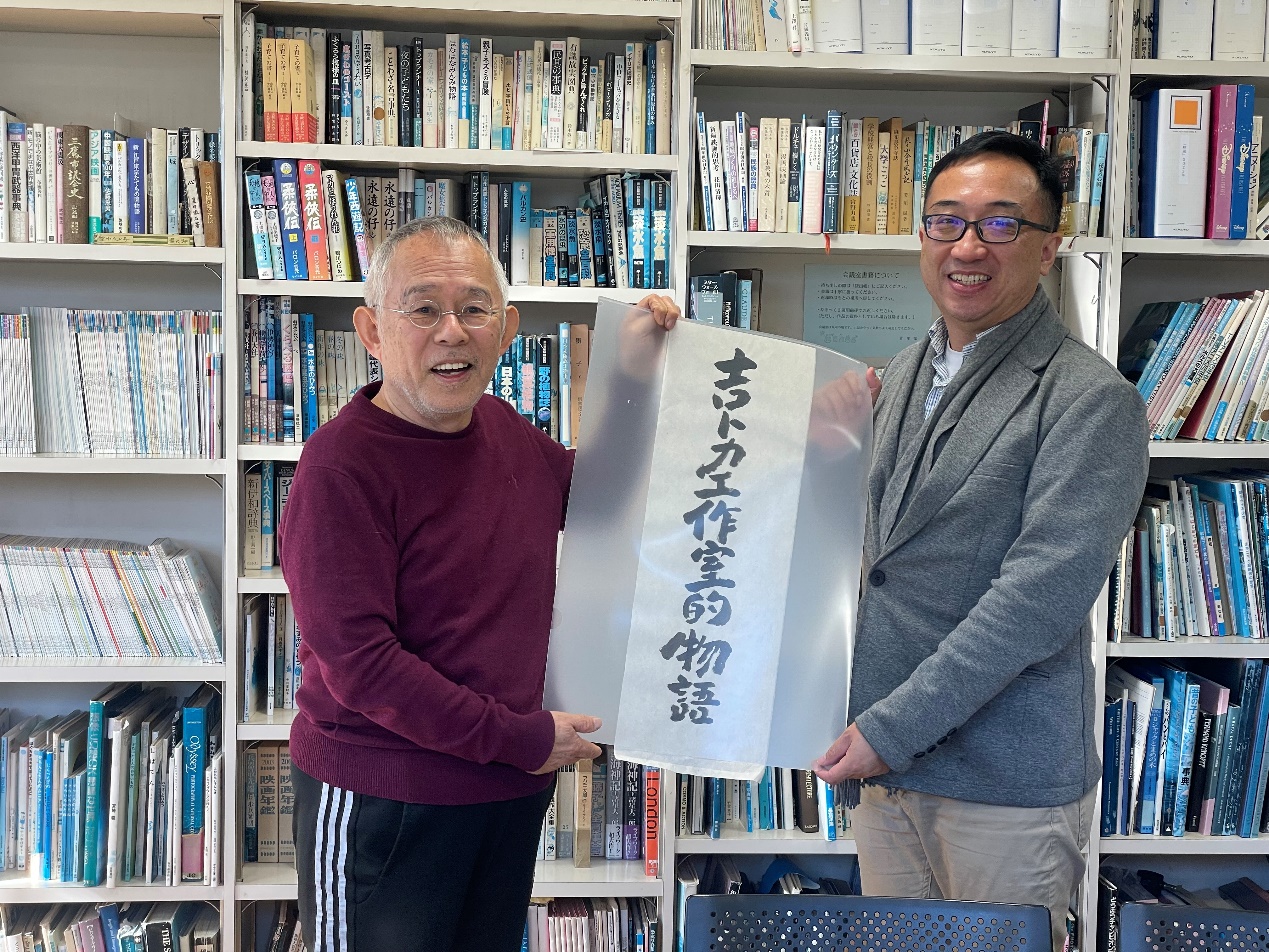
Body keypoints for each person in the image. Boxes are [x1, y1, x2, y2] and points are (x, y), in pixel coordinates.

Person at [278, 215, 679, 952]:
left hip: (506, 788)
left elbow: (606, 501)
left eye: (474, 308)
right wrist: (520, 738)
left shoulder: (500, 425)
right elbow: (362, 666)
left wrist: (637, 374)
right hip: (385, 801)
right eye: (423, 309)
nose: (452, 331)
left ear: (506, 329)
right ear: (371, 331)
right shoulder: (339, 470)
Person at [813, 130, 1149, 952]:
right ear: (921, 236)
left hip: (998, 785)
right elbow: (879, 559)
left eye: (1000, 223)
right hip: (887, 774)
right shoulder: (899, 374)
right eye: (945, 221)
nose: (967, 246)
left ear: (1047, 248)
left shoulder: (1088, 398)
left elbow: (1036, 602)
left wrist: (888, 731)